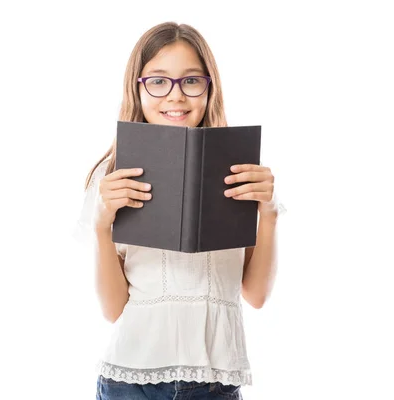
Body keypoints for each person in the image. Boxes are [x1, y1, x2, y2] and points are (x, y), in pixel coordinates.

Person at [75, 21, 286, 400]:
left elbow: (255, 294)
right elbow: (111, 308)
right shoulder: (113, 178)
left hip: (216, 386)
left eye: (191, 81)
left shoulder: (240, 173)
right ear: (137, 88)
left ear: (209, 88)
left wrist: (268, 212)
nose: (175, 96)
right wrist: (101, 226)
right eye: (158, 81)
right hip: (131, 382)